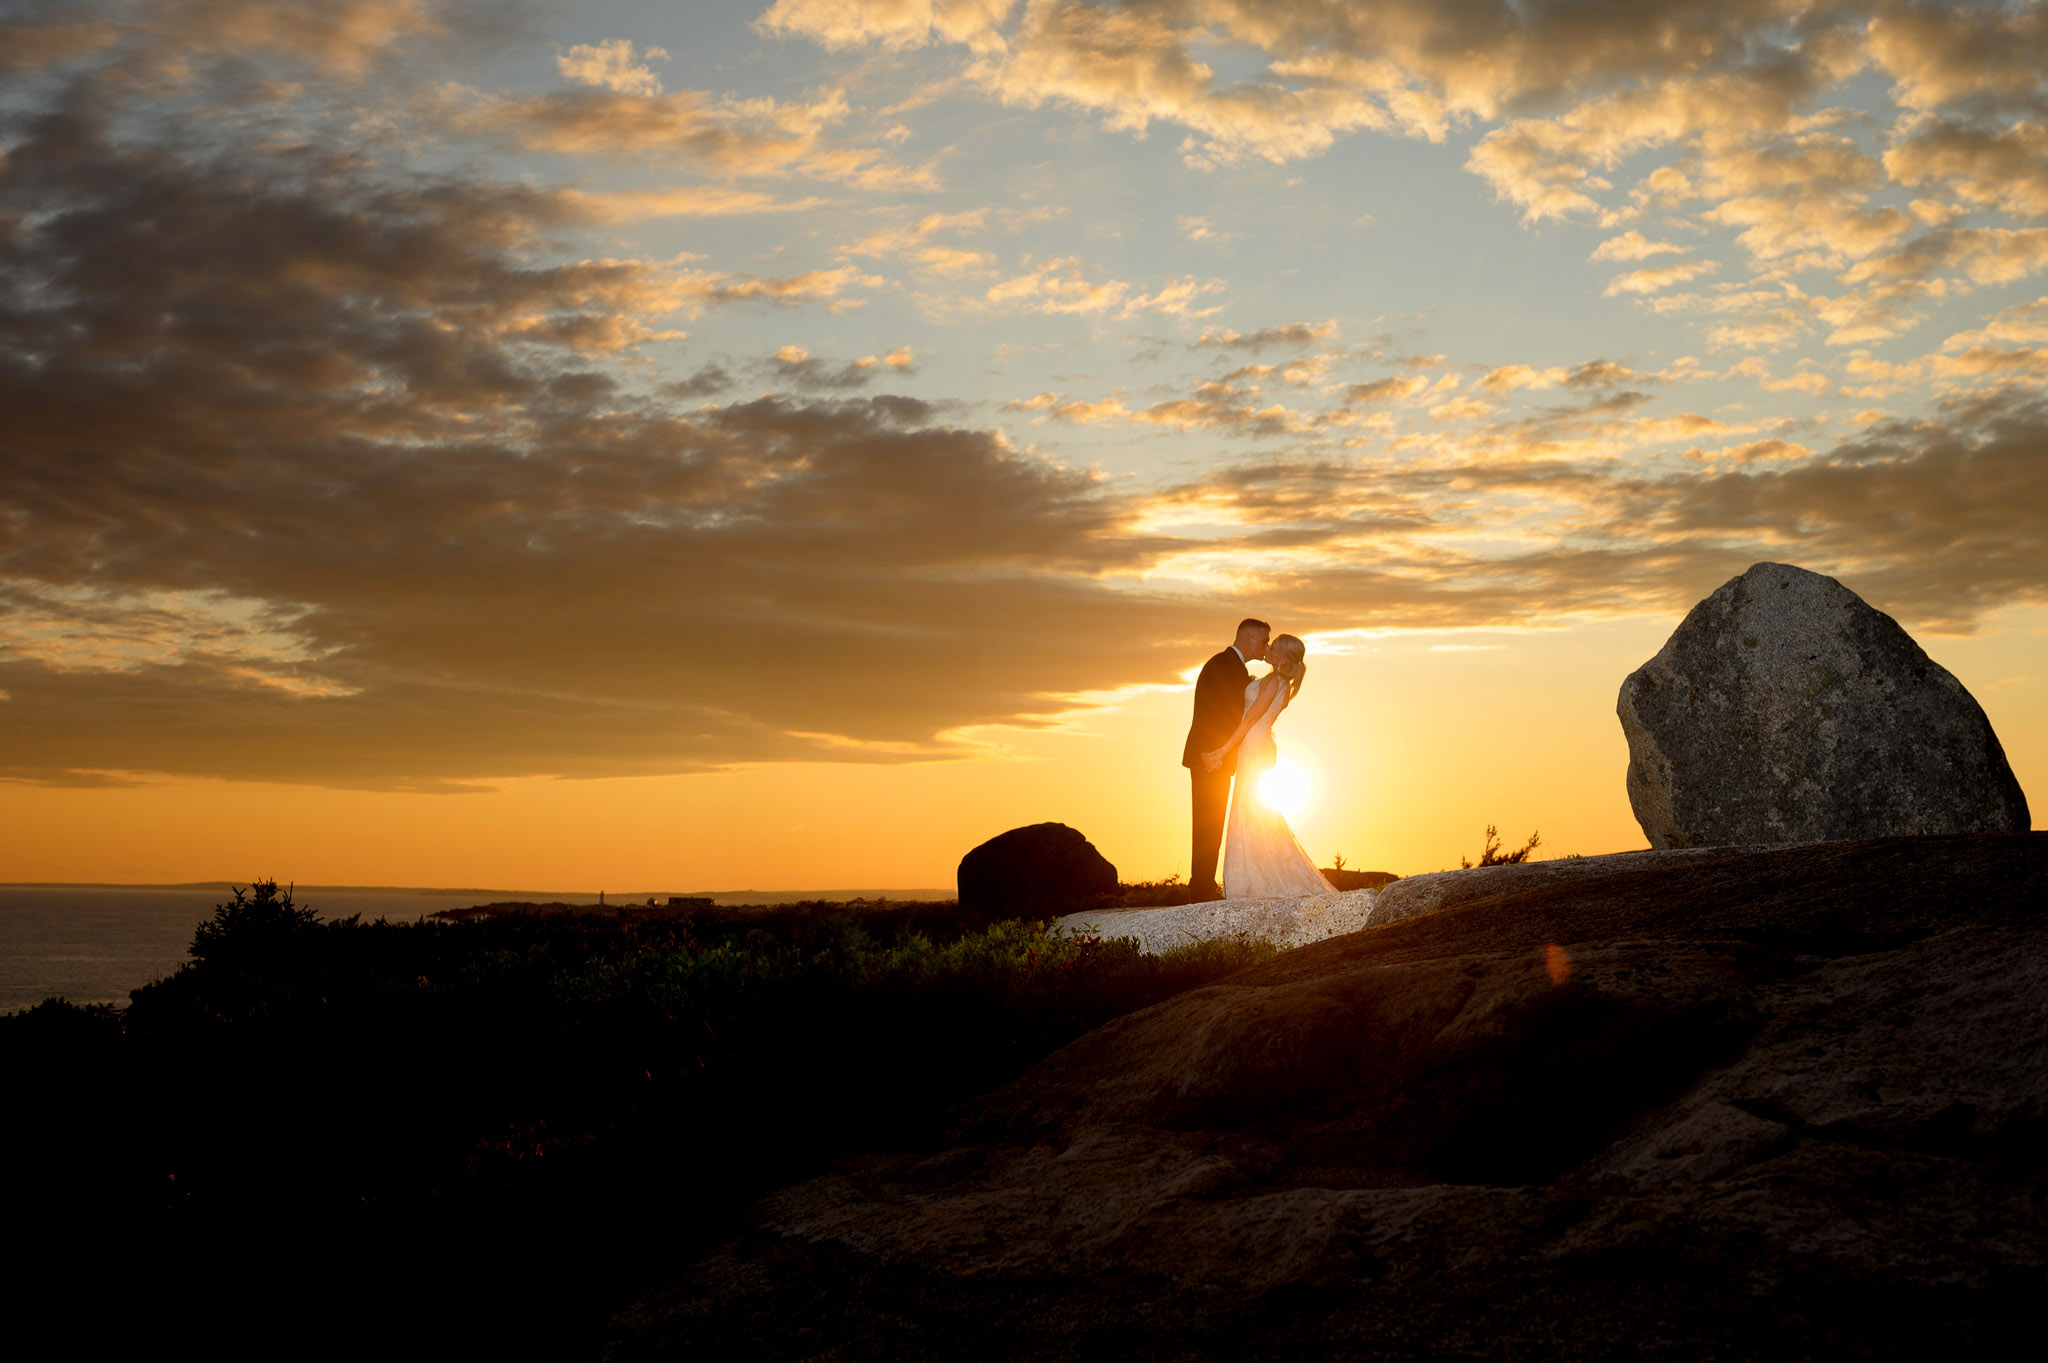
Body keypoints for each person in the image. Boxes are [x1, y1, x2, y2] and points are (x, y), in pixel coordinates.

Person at [1201, 633, 1335, 900]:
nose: (1268, 648)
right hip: (1260, 746)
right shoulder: (1282, 684)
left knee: (1250, 811)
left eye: (1274, 647)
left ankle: (1254, 880)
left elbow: (1251, 717)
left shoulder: (1275, 681)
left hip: (1252, 746)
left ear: (1283, 659)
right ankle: (1258, 875)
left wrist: (1223, 749)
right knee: (1255, 812)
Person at [1181, 618, 1268, 901]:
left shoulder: (1231, 666)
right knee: (1207, 821)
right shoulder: (1223, 665)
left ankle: (1202, 884)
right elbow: (1213, 712)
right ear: (1246, 639)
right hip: (1209, 756)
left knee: (1211, 820)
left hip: (1215, 755)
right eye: (1263, 640)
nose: (1266, 645)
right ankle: (1201, 887)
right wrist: (1212, 753)